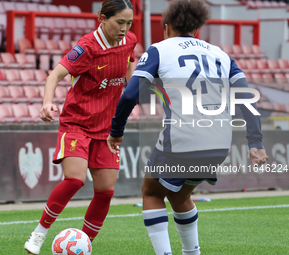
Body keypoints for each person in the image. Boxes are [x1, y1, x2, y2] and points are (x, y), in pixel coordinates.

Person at [106, 0, 269, 255]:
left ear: (167, 27)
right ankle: (192, 252)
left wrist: (116, 131)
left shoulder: (159, 49)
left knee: (151, 191)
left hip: (184, 138)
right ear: (196, 30)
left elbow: (129, 96)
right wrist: (256, 143)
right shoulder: (222, 55)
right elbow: (246, 99)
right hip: (218, 143)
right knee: (179, 194)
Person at [24, 1, 136, 254]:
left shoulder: (129, 40)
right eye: (120, 22)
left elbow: (130, 61)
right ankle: (39, 234)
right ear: (102, 18)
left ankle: (81, 246)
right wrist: (47, 103)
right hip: (77, 123)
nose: (124, 28)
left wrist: (132, 86)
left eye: (129, 23)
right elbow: (54, 75)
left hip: (107, 128)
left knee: (106, 191)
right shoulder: (87, 47)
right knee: (74, 179)